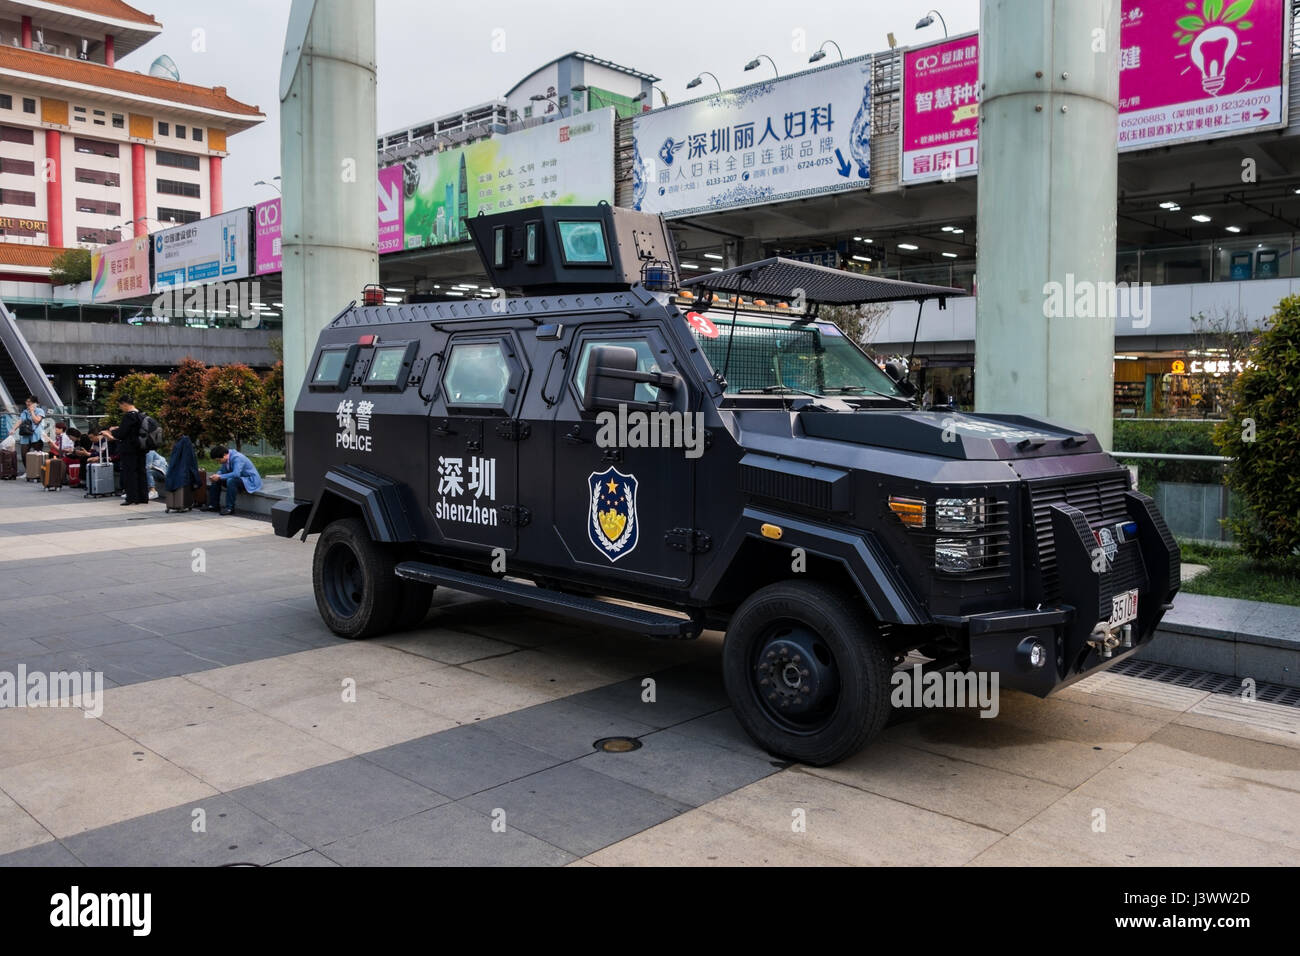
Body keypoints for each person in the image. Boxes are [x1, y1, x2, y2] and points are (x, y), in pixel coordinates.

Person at [104, 397, 149, 505]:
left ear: (124, 404)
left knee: (130, 473)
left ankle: (132, 498)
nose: (120, 408)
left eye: (120, 405)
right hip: (141, 448)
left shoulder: (129, 416)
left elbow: (122, 434)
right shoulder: (141, 414)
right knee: (141, 472)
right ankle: (143, 497)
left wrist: (111, 432)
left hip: (130, 449)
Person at [204, 445, 262, 516]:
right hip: (239, 479)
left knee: (231, 481)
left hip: (250, 480)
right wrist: (216, 475)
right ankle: (213, 505)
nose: (218, 462)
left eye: (219, 460)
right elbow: (222, 470)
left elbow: (236, 474)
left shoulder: (237, 458)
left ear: (225, 455)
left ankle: (230, 508)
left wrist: (219, 476)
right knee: (216, 480)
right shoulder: (227, 458)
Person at [16, 396, 44, 467]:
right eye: (27, 401)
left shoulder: (39, 411)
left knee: (37, 455)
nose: (28, 403)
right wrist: (13, 429)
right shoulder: (24, 412)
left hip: (36, 436)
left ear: (35, 403)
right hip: (25, 436)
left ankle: (37, 473)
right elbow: (20, 421)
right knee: (24, 455)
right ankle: (27, 472)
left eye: (30, 402)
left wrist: (32, 411)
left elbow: (36, 421)